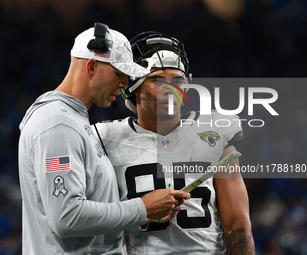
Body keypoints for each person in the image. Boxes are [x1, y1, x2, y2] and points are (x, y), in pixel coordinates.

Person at [18, 24, 190, 255]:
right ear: (91, 67)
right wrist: (142, 207)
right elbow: (67, 217)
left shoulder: (72, 118)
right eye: (119, 73)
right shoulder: (57, 123)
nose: (125, 84)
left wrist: (145, 214)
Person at [96, 32, 255, 254]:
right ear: (134, 86)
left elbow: (237, 224)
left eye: (177, 81)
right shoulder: (104, 139)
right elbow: (94, 221)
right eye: (157, 80)